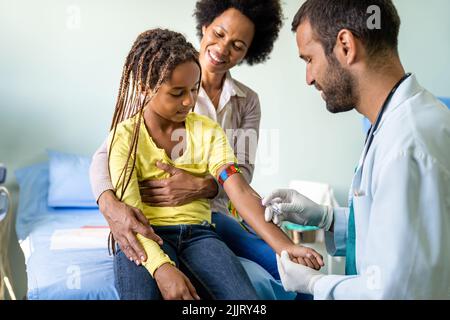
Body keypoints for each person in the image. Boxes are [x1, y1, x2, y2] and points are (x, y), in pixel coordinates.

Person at [106, 28, 323, 300]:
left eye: (193, 89)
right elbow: (132, 220)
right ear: (144, 87)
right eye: (176, 92)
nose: (188, 101)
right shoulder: (125, 138)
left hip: (199, 234)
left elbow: (239, 190)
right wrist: (162, 268)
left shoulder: (207, 131)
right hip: (146, 235)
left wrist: (286, 248)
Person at [263, 0, 450, 300]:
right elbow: (402, 236)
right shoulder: (394, 123)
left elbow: (396, 292)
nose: (308, 78)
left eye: (309, 59)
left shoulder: (408, 144)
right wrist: (328, 218)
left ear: (346, 46)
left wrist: (315, 284)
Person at [90, 0, 285, 280]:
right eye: (219, 34)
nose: (222, 49)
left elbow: (243, 170)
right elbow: (106, 155)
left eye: (237, 45)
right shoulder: (159, 79)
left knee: (285, 265)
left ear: (248, 53)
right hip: (161, 215)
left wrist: (203, 187)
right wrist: (109, 203)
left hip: (217, 213)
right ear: (204, 27)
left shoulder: (248, 102)